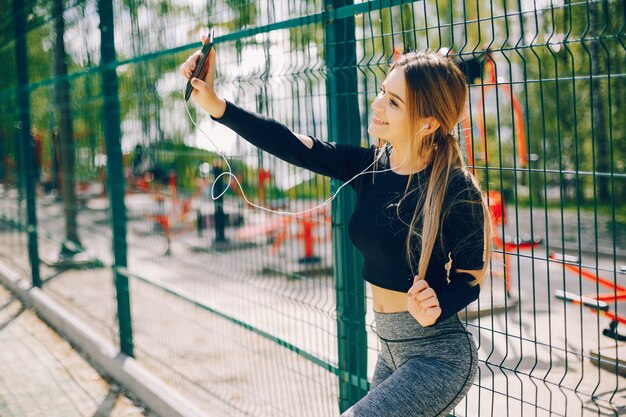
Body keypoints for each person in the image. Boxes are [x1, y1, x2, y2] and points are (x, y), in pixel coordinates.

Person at [181, 36, 492, 417]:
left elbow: (471, 277)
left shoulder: (456, 189)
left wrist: (439, 305)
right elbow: (291, 144)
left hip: (437, 357)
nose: (377, 105)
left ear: (429, 122)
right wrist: (215, 105)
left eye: (393, 102)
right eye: (382, 92)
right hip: (391, 349)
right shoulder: (369, 167)